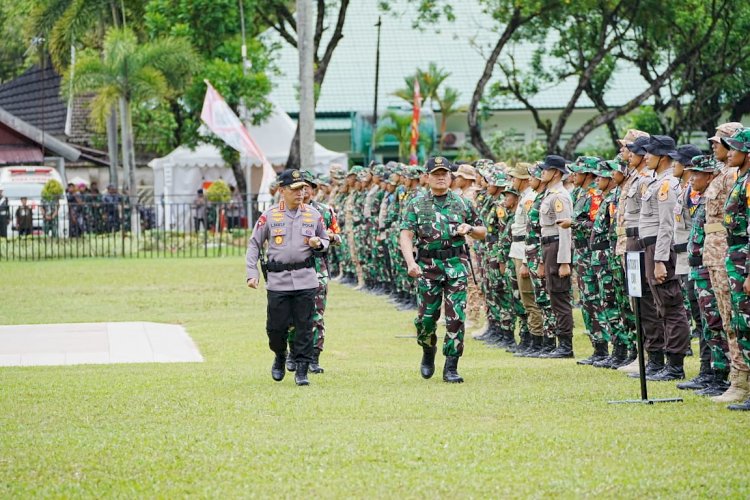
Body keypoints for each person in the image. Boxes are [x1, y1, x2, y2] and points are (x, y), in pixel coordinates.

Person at [399, 156, 486, 383]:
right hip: (427, 267)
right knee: (426, 319)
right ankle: (428, 352)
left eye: (444, 173)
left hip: (456, 265)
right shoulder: (416, 204)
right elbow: (406, 235)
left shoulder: (463, 203)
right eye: (436, 174)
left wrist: (470, 229)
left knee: (455, 317)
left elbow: (483, 231)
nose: (440, 177)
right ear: (427, 177)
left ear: (451, 177)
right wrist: (411, 262)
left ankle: (451, 366)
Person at [245, 169, 330, 386]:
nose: (300, 193)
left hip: (306, 279)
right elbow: (255, 243)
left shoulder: (314, 214)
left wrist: (319, 244)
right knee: (276, 328)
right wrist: (251, 273)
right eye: (294, 189)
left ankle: (302, 370)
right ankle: (280, 355)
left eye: (302, 188)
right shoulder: (270, 216)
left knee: (304, 326)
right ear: (282, 191)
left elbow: (325, 239)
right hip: (278, 281)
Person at [637, 135, 691, 381]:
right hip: (649, 247)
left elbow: (666, 226)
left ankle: (675, 365)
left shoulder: (668, 185)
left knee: (670, 306)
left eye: (650, 153)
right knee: (659, 307)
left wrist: (659, 260)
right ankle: (660, 361)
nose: (645, 156)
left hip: (660, 250)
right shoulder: (656, 182)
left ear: (663, 157)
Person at [538, 155, 575, 358]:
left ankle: (565, 345)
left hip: (556, 246)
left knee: (560, 297)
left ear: (556, 173)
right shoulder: (550, 193)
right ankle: (562, 343)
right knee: (554, 295)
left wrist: (564, 261)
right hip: (549, 245)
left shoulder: (559, 195)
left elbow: (564, 230)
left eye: (546, 169)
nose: (543, 172)